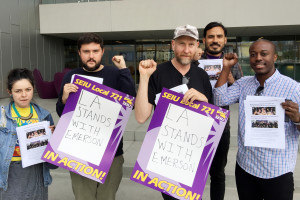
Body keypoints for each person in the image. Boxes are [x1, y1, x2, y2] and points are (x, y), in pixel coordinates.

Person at [214, 39, 300, 200]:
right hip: (246, 168)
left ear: (275, 57)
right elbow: (220, 99)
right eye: (253, 55)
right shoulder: (244, 84)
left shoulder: (293, 88)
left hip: (277, 171)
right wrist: (226, 67)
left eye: (264, 54)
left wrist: (297, 119)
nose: (258, 58)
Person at [135, 24, 212, 200]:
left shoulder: (202, 75)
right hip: (167, 153)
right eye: (181, 43)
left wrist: (205, 101)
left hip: (193, 154)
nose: (186, 49)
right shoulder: (157, 72)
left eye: (191, 44)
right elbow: (140, 117)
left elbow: (213, 119)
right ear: (172, 45)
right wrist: (144, 78)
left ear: (197, 46)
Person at [56, 33, 136, 200]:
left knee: (107, 197)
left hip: (111, 152)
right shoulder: (70, 77)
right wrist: (64, 99)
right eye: (86, 51)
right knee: (83, 196)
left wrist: (123, 69)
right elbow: (62, 114)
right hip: (79, 151)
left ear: (102, 51)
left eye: (95, 51)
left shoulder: (115, 74)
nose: (91, 56)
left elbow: (130, 102)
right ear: (79, 53)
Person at [200, 21, 243, 200]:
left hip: (221, 127)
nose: (215, 40)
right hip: (196, 124)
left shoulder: (233, 64)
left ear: (225, 39)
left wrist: (233, 82)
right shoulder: (195, 61)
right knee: (191, 172)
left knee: (218, 174)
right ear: (204, 40)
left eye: (219, 36)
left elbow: (242, 93)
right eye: (211, 36)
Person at [0, 68, 56, 200]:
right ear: (10, 92)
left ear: (33, 88)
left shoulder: (44, 116)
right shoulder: (2, 116)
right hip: (10, 171)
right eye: (18, 91)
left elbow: (53, 160)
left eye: (28, 89)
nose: (24, 95)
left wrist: (53, 138)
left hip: (37, 170)